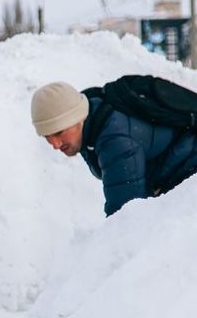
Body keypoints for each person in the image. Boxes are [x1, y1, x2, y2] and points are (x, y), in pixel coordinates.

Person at [31, 77, 197, 216]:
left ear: (76, 117)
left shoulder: (114, 139)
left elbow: (126, 216)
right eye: (47, 136)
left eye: (59, 132)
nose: (54, 144)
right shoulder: (93, 118)